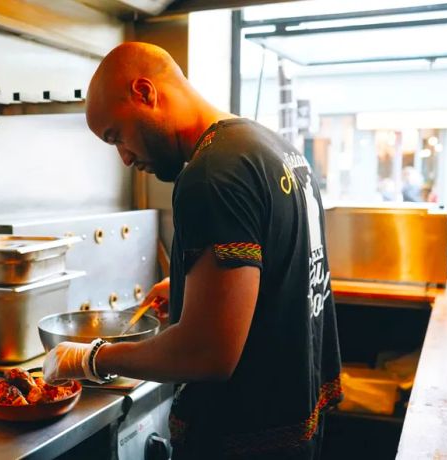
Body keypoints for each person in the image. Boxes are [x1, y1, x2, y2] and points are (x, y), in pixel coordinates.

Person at [43, 42, 342, 460]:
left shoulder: (211, 174)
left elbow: (206, 354)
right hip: (296, 429)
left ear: (145, 93)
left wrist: (91, 358)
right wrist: (191, 289)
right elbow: (282, 275)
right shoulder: (271, 148)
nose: (125, 158)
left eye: (117, 136)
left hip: (243, 441)